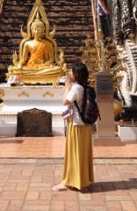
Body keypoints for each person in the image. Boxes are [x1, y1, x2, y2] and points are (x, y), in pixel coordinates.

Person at [53, 62, 94, 191]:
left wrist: (67, 87)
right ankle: (81, 180)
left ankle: (71, 182)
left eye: (71, 71)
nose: (69, 73)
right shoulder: (83, 86)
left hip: (77, 125)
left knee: (75, 154)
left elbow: (65, 101)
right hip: (84, 125)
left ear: (76, 74)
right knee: (80, 154)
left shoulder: (76, 88)